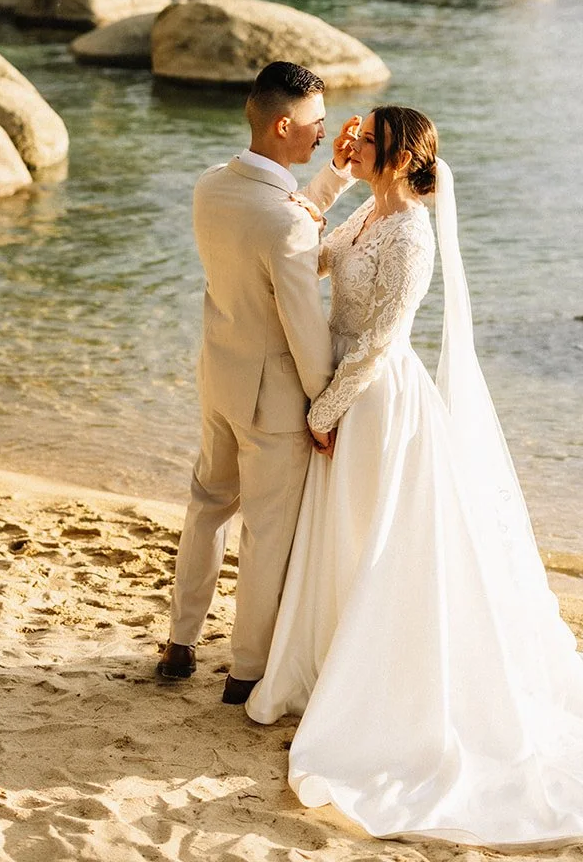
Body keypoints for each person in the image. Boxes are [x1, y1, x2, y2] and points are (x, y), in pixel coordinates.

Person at [246, 105, 583, 845]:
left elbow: (385, 337)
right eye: (351, 138)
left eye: (365, 141)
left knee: (381, 537)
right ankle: (329, 664)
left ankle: (382, 684)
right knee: (346, 534)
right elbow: (312, 261)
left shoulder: (413, 234)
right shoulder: (365, 214)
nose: (352, 145)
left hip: (378, 397)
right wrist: (331, 175)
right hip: (348, 391)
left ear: (398, 157)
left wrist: (325, 407)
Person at [156, 61, 359, 702]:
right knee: (268, 532)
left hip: (219, 378)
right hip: (272, 402)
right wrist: (329, 406)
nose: (323, 136)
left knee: (207, 508)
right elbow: (304, 328)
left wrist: (335, 181)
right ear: (282, 124)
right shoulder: (286, 221)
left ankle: (181, 643)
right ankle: (246, 671)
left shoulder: (211, 187)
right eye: (317, 126)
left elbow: (276, 231)